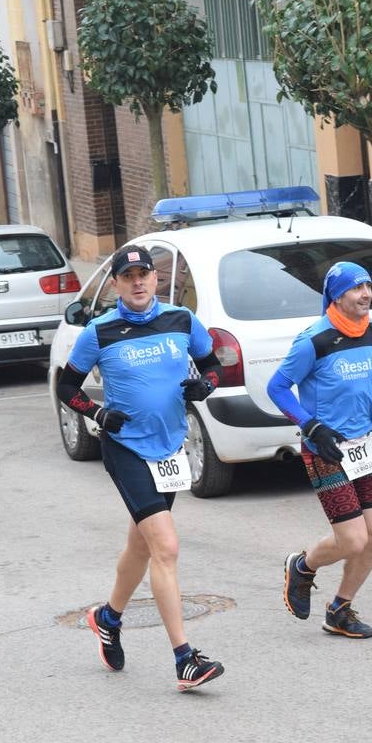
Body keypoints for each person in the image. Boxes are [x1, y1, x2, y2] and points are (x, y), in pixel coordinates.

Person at [55, 245, 226, 692]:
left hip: (170, 448)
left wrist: (205, 384)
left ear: (154, 279)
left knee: (142, 544)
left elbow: (211, 364)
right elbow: (66, 384)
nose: (137, 282)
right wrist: (96, 414)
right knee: (165, 545)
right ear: (114, 284)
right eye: (127, 276)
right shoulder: (100, 331)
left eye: (143, 274)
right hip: (125, 447)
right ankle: (184, 658)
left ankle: (107, 618)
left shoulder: (181, 321)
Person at [269, 262, 372, 639]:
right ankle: (302, 566)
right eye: (356, 288)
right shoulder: (314, 340)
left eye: (368, 285)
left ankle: (340, 609)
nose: (366, 293)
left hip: (364, 445)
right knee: (352, 539)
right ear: (336, 296)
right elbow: (278, 388)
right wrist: (310, 424)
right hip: (325, 448)